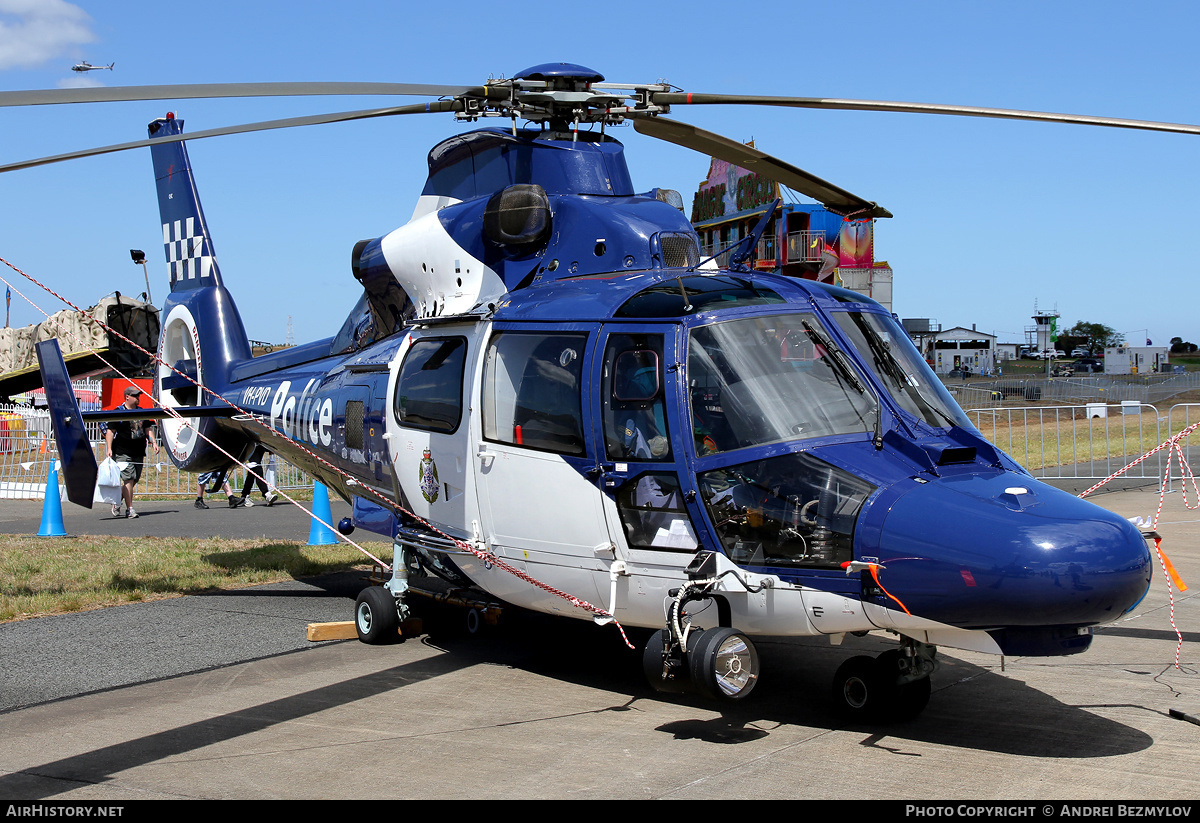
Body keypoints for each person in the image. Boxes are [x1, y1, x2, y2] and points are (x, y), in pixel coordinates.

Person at [104, 384, 159, 519]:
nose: (137, 398)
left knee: (134, 480)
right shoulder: (118, 412)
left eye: (138, 395)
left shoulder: (141, 411)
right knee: (129, 479)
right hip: (122, 452)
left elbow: (148, 429)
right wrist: (109, 448)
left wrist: (154, 442)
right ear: (127, 397)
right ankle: (130, 509)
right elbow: (110, 431)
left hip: (139, 452)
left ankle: (118, 500)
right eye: (135, 396)